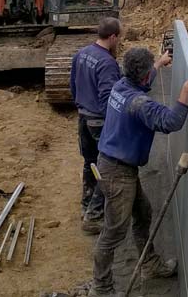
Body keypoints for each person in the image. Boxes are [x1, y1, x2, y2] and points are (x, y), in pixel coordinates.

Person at [88, 47, 188, 297]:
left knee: (143, 213)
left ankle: (150, 264)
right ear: (142, 78)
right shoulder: (139, 104)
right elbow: (170, 122)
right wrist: (186, 89)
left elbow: (144, 80)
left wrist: (159, 63)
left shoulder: (122, 85)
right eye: (150, 70)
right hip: (117, 173)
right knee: (113, 233)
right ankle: (101, 289)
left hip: (115, 166)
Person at [69, 17, 123, 234]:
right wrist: (115, 122)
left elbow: (72, 84)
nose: (119, 41)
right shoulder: (107, 63)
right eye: (119, 37)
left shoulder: (82, 54)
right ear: (112, 37)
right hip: (98, 122)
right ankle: (94, 216)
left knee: (89, 163)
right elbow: (108, 98)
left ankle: (86, 206)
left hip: (83, 117)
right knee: (108, 168)